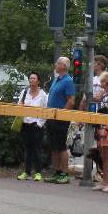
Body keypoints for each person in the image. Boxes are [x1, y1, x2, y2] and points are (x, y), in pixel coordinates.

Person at [44, 56, 76, 184]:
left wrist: (61, 114)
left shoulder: (68, 81)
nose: (55, 65)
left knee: (61, 146)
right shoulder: (56, 79)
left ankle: (64, 173)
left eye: (58, 63)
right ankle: (56, 171)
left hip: (60, 118)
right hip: (51, 116)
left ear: (64, 66)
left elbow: (71, 100)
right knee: (54, 146)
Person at [16, 71, 48, 182]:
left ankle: (38, 172)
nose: (31, 80)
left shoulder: (43, 94)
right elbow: (19, 105)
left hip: (37, 125)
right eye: (30, 78)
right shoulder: (24, 92)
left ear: (38, 81)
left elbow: (46, 111)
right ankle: (27, 172)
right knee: (28, 149)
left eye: (34, 78)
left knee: (37, 149)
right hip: (26, 124)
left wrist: (39, 124)